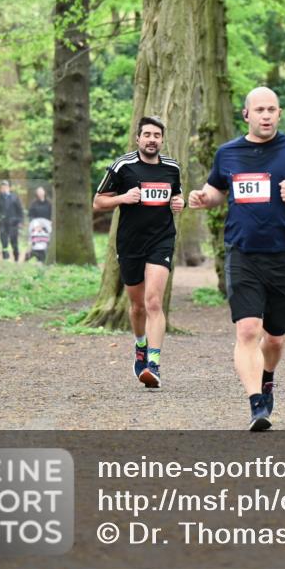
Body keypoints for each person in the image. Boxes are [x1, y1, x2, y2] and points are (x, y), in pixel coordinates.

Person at [189, 87, 285, 431]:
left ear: (279, 114)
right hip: (242, 253)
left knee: (276, 337)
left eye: (272, 109)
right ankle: (256, 405)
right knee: (248, 329)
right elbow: (216, 191)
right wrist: (202, 197)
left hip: (284, 254)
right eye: (260, 110)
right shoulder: (228, 153)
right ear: (246, 115)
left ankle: (267, 377)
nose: (266, 115)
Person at [93, 116, 184, 389]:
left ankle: (153, 365)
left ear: (162, 140)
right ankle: (141, 346)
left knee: (154, 301)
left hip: (161, 240)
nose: (152, 139)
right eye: (147, 134)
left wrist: (179, 202)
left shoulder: (172, 168)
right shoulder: (123, 166)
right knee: (137, 306)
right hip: (130, 244)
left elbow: (176, 196)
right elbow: (98, 201)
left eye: (157, 135)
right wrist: (123, 198)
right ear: (138, 138)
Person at [0, 180, 24, 261]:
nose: (4, 189)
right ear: (0, 189)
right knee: (4, 242)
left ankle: (16, 258)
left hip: (13, 223)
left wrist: (20, 221)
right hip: (3, 224)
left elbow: (20, 210)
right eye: (2, 187)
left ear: (9, 188)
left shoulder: (14, 197)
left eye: (5, 187)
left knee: (14, 242)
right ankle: (5, 258)